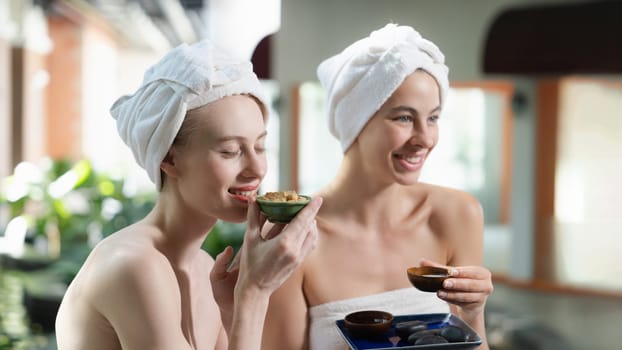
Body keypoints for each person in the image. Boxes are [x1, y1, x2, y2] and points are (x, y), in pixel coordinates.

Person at [55, 39, 322, 350]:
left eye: (260, 146)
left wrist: (232, 312)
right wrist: (254, 293)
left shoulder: (205, 267)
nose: (256, 169)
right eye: (230, 151)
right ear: (169, 158)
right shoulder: (135, 265)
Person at [262, 23, 493, 349]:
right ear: (355, 121)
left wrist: (473, 312)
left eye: (433, 118)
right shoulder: (293, 237)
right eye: (403, 118)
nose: (425, 139)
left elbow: (469, 341)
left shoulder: (456, 215)